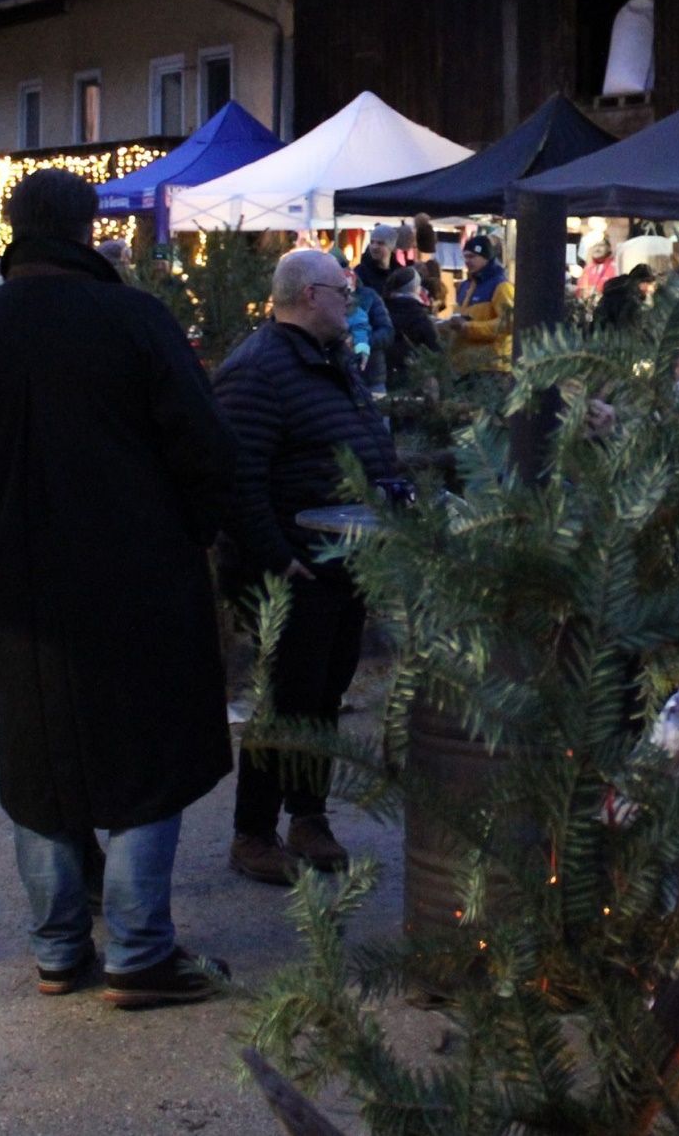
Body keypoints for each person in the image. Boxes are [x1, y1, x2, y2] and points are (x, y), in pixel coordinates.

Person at [0, 169, 236, 1008]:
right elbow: (203, 445)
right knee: (148, 753)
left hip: (26, 578)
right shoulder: (133, 319)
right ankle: (137, 949)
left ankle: (59, 946)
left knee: (40, 758)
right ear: (87, 226)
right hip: (140, 574)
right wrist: (202, 527)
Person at [214, 249, 400, 885]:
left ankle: (308, 815)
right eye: (341, 290)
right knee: (286, 699)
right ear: (307, 295)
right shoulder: (258, 370)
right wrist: (279, 558)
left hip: (342, 561)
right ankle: (254, 832)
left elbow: (363, 435)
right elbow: (237, 479)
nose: (349, 300)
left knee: (324, 692)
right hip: (292, 566)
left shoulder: (330, 360)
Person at [445, 234, 514, 375]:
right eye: (465, 257)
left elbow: (509, 323)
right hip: (465, 366)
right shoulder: (465, 286)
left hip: (491, 368)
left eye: (472, 257)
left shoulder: (501, 286)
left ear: (486, 257)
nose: (467, 261)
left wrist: (468, 327)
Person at [383, 264, 440, 386]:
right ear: (416, 288)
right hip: (413, 374)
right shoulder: (418, 315)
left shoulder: (382, 311)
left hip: (384, 372)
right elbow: (434, 347)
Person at [594, 263, 658, 331]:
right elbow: (628, 329)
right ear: (643, 283)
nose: (653, 290)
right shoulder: (632, 300)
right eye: (652, 285)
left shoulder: (620, 288)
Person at [355, 225, 397, 298]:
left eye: (380, 243)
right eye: (372, 242)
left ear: (391, 247)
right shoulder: (360, 272)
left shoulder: (399, 272)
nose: (374, 247)